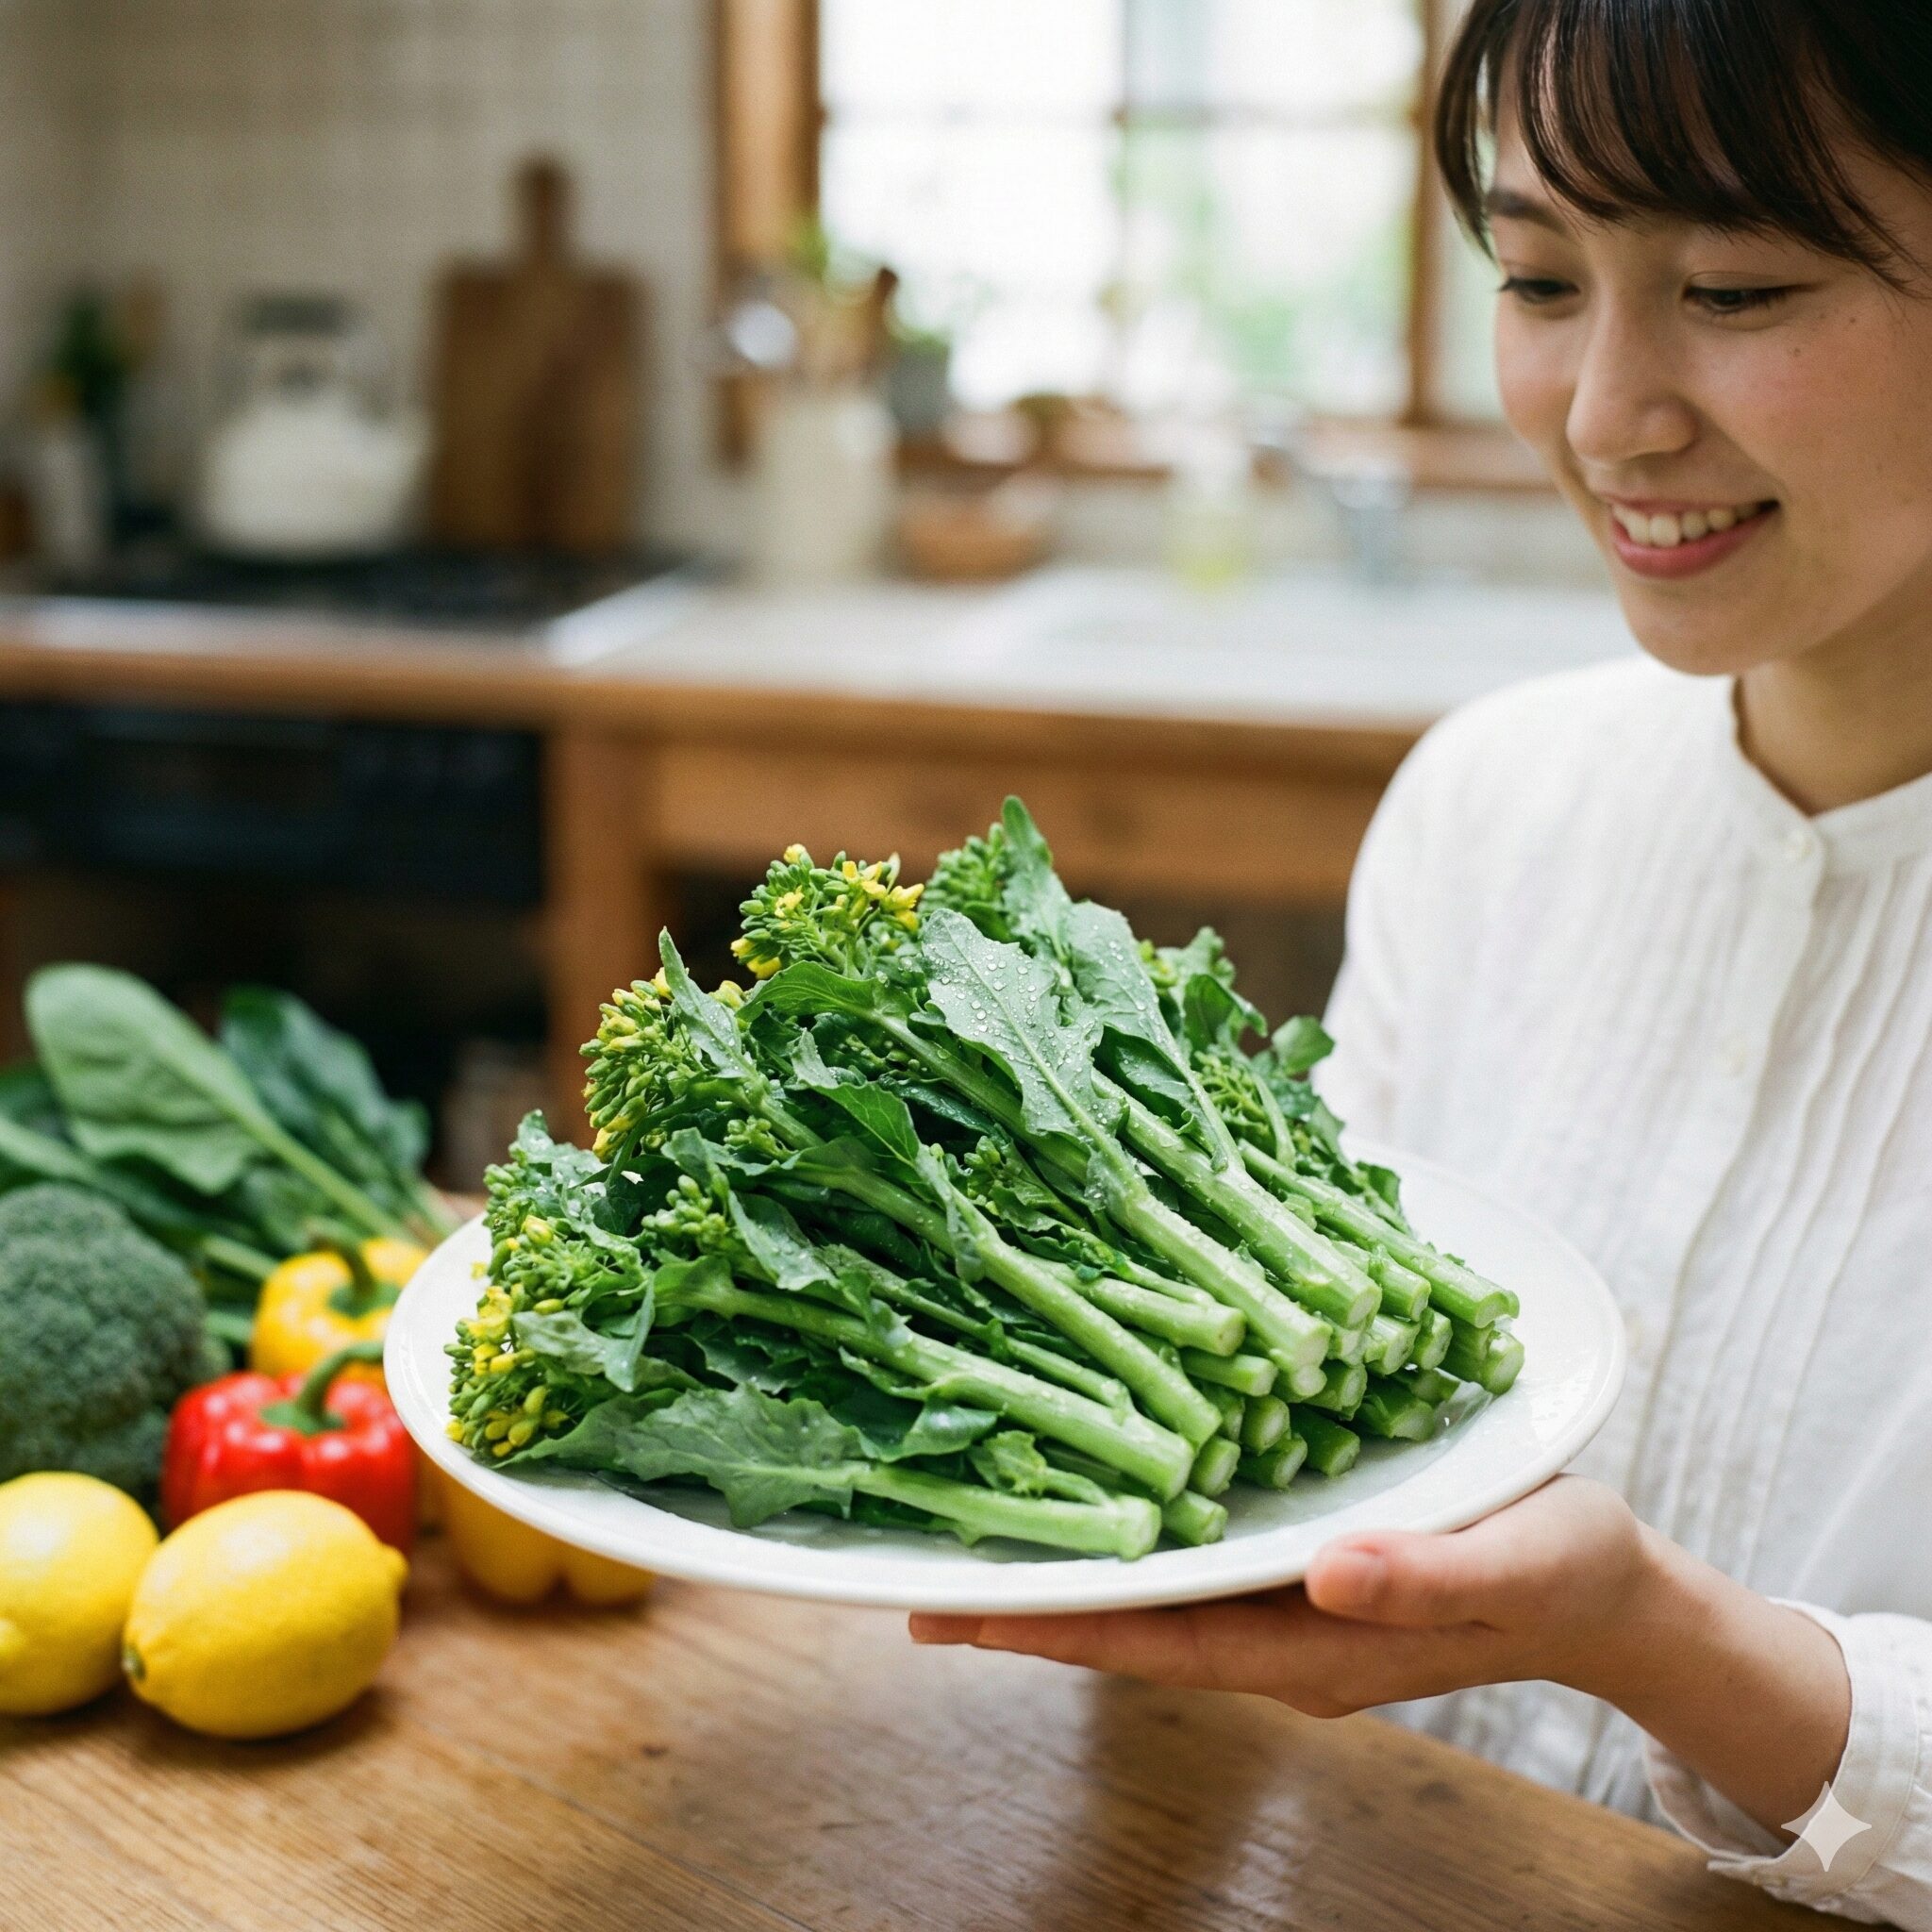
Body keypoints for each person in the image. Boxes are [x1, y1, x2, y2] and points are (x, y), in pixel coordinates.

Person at [909, 1, 1932, 1921]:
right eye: (1537, 277)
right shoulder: (1489, 805)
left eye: (1731, 286)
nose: (1603, 409)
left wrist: (1651, 1636)